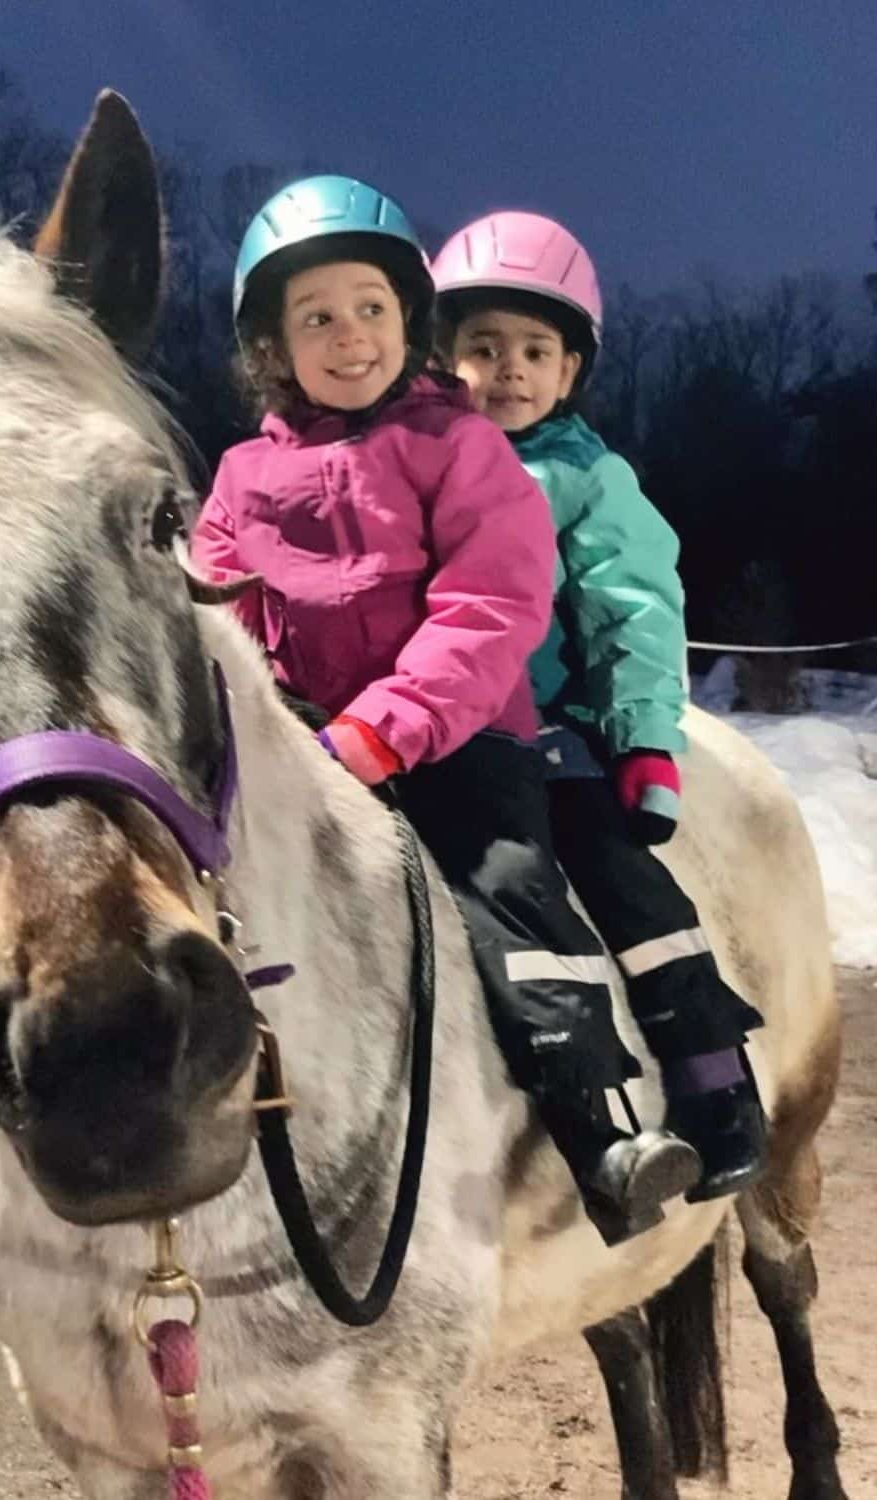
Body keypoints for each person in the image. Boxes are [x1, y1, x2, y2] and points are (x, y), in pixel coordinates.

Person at [193, 177, 706, 1246]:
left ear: (409, 326)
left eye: (373, 308)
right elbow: (220, 614)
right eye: (317, 317)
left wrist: (387, 727)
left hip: (457, 736)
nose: (349, 335)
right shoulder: (242, 476)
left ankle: (597, 1124)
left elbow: (492, 602)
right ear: (274, 348)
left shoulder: (459, 446)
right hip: (311, 744)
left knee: (511, 888)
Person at [431, 210, 767, 1204]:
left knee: (618, 882)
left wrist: (642, 745)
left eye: (537, 350)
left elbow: (634, 613)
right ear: (441, 361)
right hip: (435, 735)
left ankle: (712, 1080)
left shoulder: (586, 478)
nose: (510, 371)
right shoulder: (419, 466)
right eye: (482, 348)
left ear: (572, 372)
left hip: (550, 737)